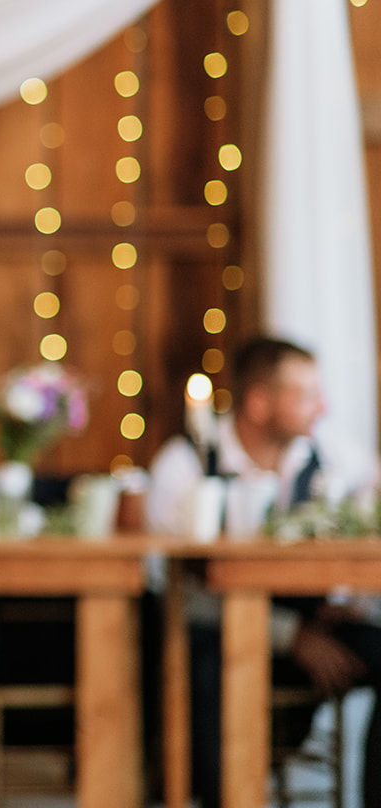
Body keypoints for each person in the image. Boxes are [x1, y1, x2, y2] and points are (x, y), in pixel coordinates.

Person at [147, 336, 381, 808]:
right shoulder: (184, 464)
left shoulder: (333, 456)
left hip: (317, 622)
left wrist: (352, 594)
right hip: (215, 634)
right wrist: (290, 635)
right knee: (208, 665)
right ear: (258, 402)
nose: (323, 406)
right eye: (306, 394)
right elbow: (169, 589)